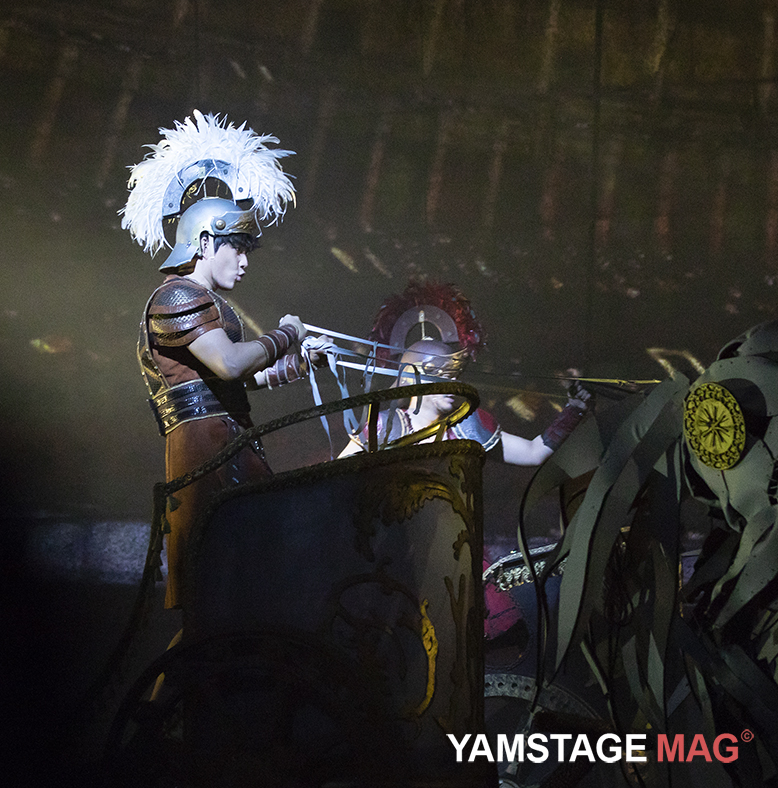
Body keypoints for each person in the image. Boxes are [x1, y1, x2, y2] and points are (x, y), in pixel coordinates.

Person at [124, 112, 332, 610]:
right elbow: (231, 366)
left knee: (248, 586)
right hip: (204, 448)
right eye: (236, 247)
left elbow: (236, 379)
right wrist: (287, 334)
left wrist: (301, 363)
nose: (244, 260)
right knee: (217, 587)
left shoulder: (208, 304)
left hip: (225, 437)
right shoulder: (176, 297)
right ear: (203, 243)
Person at [338, 281, 591, 464]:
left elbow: (533, 453)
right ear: (414, 378)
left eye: (454, 375)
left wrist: (575, 409)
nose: (453, 383)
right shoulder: (384, 427)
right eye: (442, 375)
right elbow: (333, 476)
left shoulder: (467, 427)